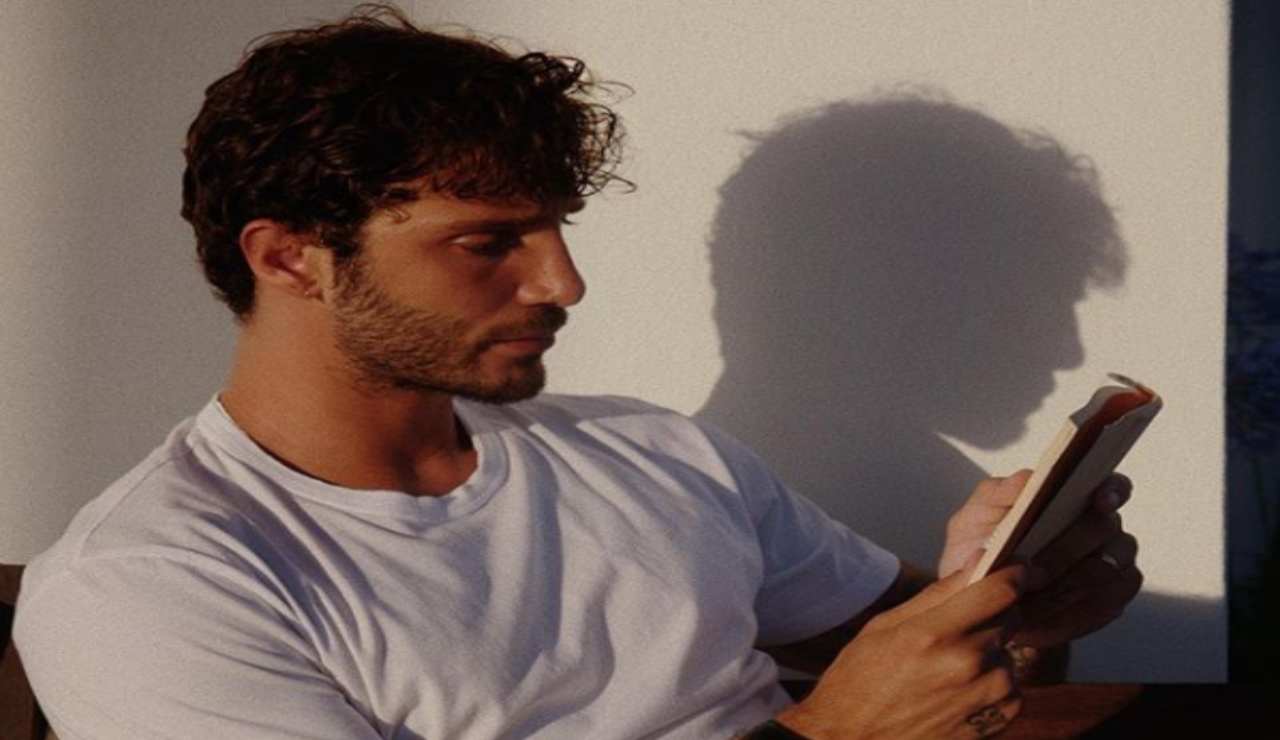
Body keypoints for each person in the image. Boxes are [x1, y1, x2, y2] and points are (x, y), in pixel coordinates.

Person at [14, 6, 1142, 739]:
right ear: (288, 258)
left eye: (554, 228)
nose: (562, 282)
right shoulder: (150, 582)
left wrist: (1012, 606)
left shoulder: (654, 455)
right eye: (487, 241)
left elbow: (934, 680)